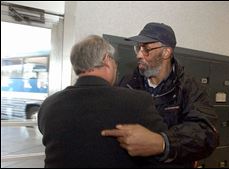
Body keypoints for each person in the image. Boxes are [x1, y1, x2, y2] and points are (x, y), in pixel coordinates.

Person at [38, 35, 168, 168]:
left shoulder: (48, 105)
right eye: (115, 61)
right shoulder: (138, 102)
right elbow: (162, 151)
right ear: (106, 59)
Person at [101, 23, 219, 167]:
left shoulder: (189, 88)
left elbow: (206, 134)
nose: (139, 55)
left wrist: (163, 143)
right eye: (138, 48)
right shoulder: (126, 83)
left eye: (146, 49)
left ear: (166, 52)